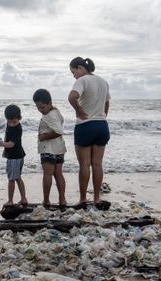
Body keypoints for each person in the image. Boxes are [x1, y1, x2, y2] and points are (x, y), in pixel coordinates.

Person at [68, 56, 111, 206]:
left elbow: (72, 97)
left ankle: (83, 198)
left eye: (74, 72)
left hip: (85, 126)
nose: (74, 75)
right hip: (101, 126)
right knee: (97, 164)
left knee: (85, 165)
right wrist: (102, 115)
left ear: (80, 68)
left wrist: (79, 110)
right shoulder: (103, 82)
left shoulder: (82, 80)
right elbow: (107, 104)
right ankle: (97, 198)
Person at [33, 88, 67, 207]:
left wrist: (44, 137)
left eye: (42, 107)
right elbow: (61, 123)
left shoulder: (48, 116)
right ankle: (62, 199)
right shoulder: (56, 111)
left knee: (47, 174)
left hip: (48, 148)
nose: (40, 110)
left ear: (50, 103)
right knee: (58, 174)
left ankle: (46, 200)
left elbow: (59, 131)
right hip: (59, 148)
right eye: (38, 107)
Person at [0, 104, 28, 206]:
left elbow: (12, 144)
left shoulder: (18, 128)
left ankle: (10, 200)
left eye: (14, 121)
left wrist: (2, 144)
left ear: (19, 118)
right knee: (17, 177)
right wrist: (5, 151)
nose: (11, 124)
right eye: (9, 121)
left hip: (16, 157)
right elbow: (7, 138)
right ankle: (23, 198)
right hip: (14, 156)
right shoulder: (9, 125)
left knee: (11, 179)